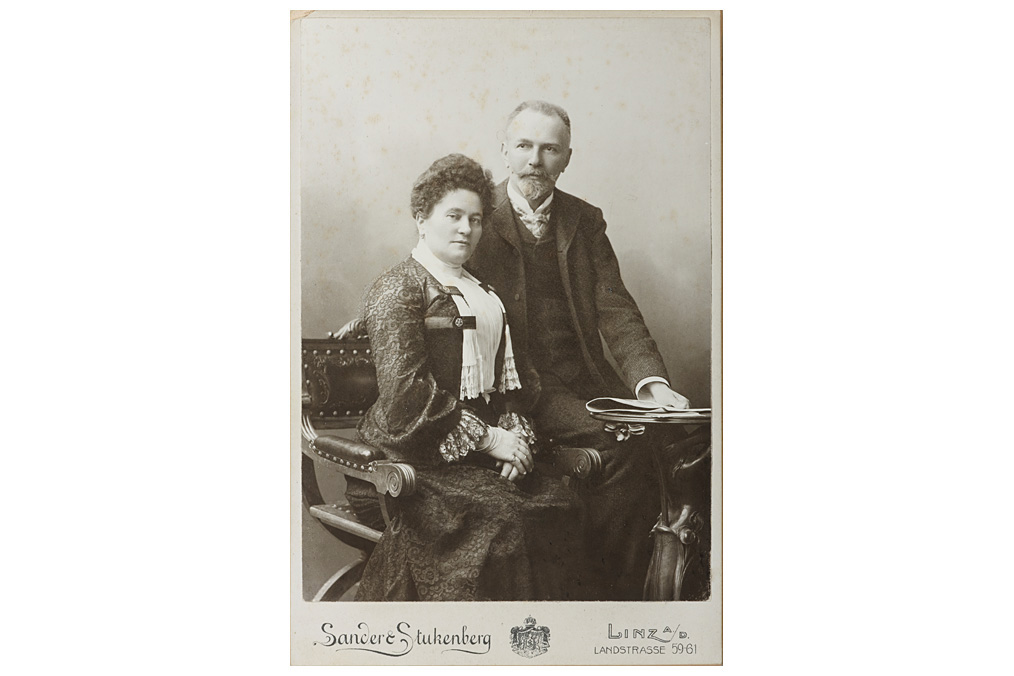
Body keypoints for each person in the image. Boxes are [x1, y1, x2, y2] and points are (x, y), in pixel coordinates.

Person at [465, 100, 692, 601]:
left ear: (567, 158)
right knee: (623, 446)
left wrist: (651, 383)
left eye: (549, 149)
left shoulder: (584, 220)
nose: (535, 161)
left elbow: (615, 308)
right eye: (524, 146)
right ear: (505, 150)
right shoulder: (476, 216)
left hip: (586, 381)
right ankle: (601, 591)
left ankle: (630, 593)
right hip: (517, 390)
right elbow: (431, 272)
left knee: (668, 440)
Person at [344, 153, 586, 602]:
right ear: (422, 218)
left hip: (474, 454)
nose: (466, 229)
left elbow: (516, 380)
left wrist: (514, 434)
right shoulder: (398, 287)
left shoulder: (483, 291)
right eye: (453, 216)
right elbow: (404, 394)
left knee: (560, 506)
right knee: (505, 523)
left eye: (475, 219)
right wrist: (490, 440)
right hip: (409, 456)